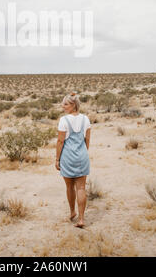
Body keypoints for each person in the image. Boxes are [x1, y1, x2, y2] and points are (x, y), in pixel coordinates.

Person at [55, 92, 91, 228]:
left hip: (67, 158)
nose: (62, 106)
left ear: (73, 105)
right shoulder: (85, 119)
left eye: (65, 104)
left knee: (69, 187)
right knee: (81, 187)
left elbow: (60, 141)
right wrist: (82, 153)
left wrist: (57, 159)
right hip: (82, 156)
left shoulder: (64, 120)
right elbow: (87, 140)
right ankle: (81, 219)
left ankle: (72, 212)